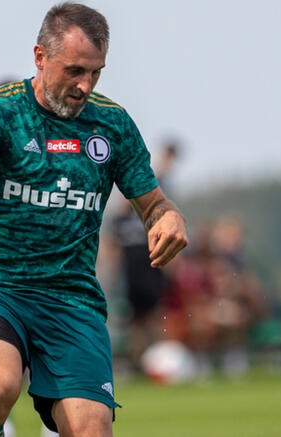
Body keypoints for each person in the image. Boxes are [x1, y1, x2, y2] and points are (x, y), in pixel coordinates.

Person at [0, 3, 189, 436]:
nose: (84, 85)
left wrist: (170, 218)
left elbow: (154, 202)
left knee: (91, 430)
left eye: (95, 73)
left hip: (72, 300)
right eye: (74, 71)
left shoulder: (113, 124)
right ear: (40, 57)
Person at [110, 140, 179, 373]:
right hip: (139, 253)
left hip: (145, 251)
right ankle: (143, 362)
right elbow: (125, 208)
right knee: (142, 316)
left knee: (149, 314)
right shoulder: (150, 179)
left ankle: (152, 362)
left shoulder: (161, 180)